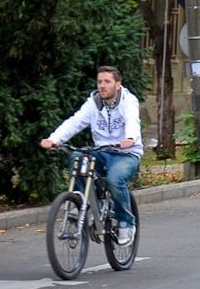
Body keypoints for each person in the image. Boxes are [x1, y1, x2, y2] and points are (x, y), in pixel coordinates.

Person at [40, 66, 143, 246]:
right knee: (77, 157)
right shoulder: (94, 103)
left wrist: (130, 138)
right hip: (102, 151)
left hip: (126, 154)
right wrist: (54, 139)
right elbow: (75, 122)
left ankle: (127, 223)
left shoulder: (128, 101)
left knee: (114, 179)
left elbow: (132, 120)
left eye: (107, 82)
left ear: (118, 85)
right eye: (100, 82)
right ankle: (79, 204)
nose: (102, 86)